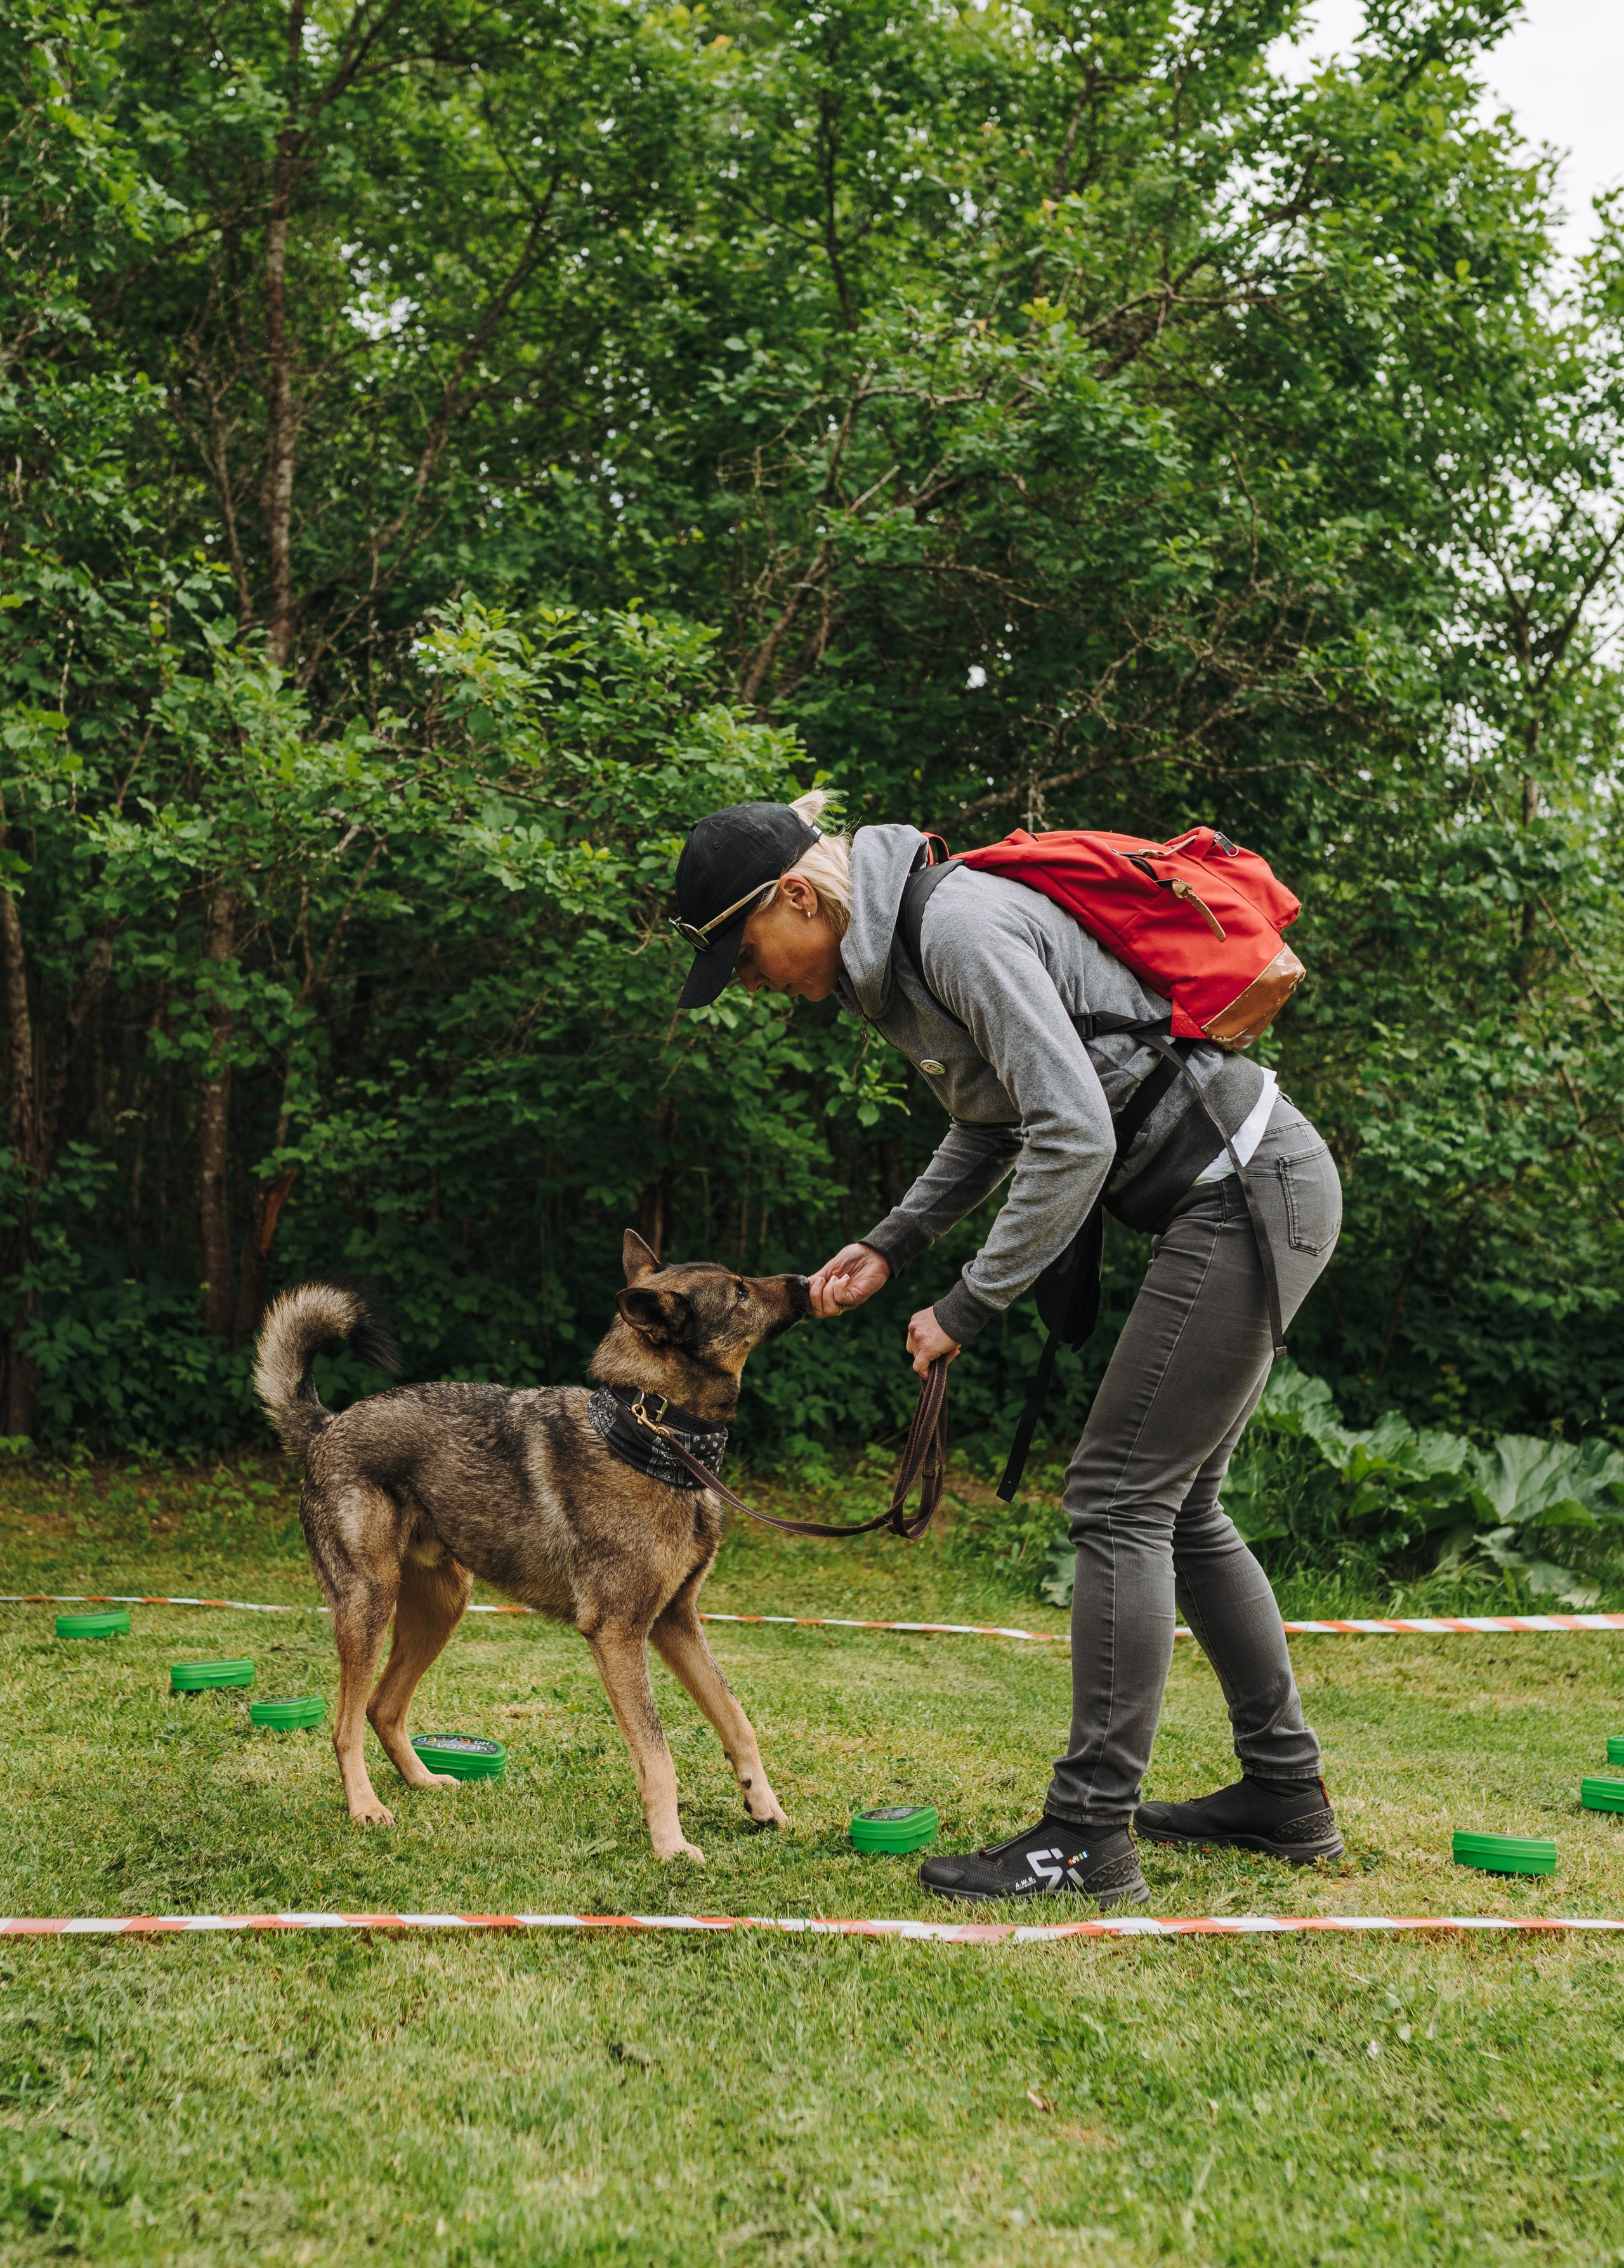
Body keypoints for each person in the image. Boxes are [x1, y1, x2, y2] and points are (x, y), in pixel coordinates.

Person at [670, 792, 1343, 1907]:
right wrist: (892, 1243)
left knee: (1119, 1497)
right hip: (1246, 1190)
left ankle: (1086, 1835)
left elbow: (1073, 1133)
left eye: (744, 956)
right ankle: (1285, 1793)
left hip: (1245, 1191)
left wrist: (968, 1306)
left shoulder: (957, 928)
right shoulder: (907, 959)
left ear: (798, 898)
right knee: (1178, 1506)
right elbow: (994, 1120)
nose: (751, 984)